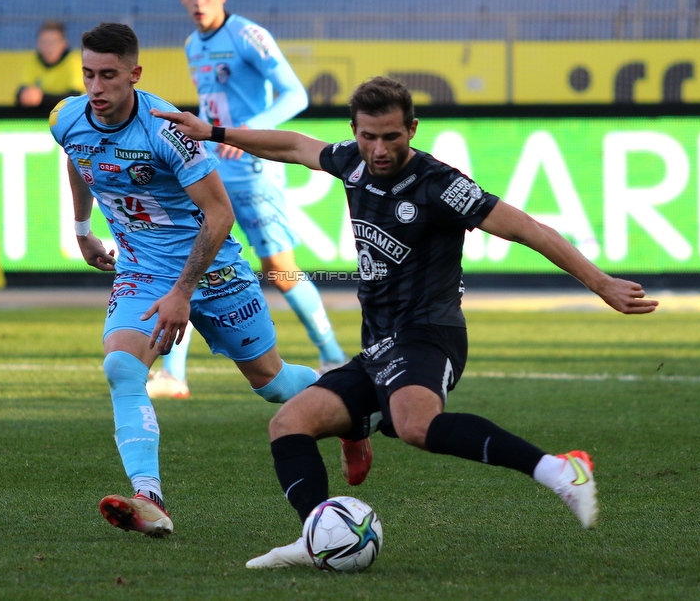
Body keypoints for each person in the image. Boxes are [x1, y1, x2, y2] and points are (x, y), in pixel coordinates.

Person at [150, 76, 660, 568]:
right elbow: (291, 145)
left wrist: (601, 283)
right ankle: (316, 534)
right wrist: (214, 132)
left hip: (430, 333)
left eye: (390, 136)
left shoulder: (441, 185)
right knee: (288, 423)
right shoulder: (351, 162)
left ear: (412, 129)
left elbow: (528, 228)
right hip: (380, 346)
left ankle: (560, 471)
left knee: (415, 425)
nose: (378, 149)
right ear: (354, 131)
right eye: (367, 136)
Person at [49, 22, 331, 538]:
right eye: (88, 74)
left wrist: (182, 292)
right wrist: (83, 230)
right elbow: (77, 158)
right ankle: (148, 497)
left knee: (272, 384)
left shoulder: (167, 131)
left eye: (109, 76)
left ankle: (348, 400)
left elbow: (220, 214)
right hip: (142, 270)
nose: (96, 88)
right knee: (121, 367)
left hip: (215, 269)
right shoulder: (67, 118)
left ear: (134, 74)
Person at [146, 0, 348, 403]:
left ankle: (333, 355)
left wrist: (248, 132)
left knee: (281, 269)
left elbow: (295, 93)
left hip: (255, 173)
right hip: (211, 171)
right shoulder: (192, 45)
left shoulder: (248, 36)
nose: (198, 1)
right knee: (191, 263)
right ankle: (172, 373)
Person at [17, 20, 83, 109]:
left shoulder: (75, 64)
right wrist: (24, 95)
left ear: (64, 44)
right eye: (44, 42)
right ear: (38, 43)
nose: (49, 47)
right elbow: (22, 92)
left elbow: (75, 99)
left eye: (53, 42)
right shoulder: (33, 63)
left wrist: (42, 98)